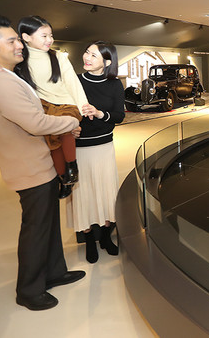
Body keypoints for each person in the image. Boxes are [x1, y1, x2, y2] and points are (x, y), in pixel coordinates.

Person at [0, 14, 85, 311]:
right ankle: (29, 290)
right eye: (12, 41)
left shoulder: (5, 73)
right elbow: (34, 123)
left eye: (18, 40)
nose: (19, 45)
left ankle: (54, 272)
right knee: (36, 229)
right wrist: (70, 122)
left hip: (38, 163)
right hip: (28, 168)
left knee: (48, 225)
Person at [0, 16, 90, 198]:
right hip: (43, 106)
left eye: (51, 35)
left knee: (65, 133)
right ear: (26, 37)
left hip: (64, 103)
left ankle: (71, 167)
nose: (49, 40)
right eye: (44, 36)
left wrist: (83, 108)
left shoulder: (58, 56)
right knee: (52, 143)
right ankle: (63, 176)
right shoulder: (21, 58)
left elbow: (72, 83)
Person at [66, 41, 125, 263]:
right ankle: (89, 238)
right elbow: (63, 111)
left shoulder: (114, 84)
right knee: (84, 195)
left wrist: (100, 113)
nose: (87, 57)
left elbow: (119, 116)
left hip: (104, 148)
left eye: (94, 55)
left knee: (106, 192)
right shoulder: (75, 82)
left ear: (107, 62)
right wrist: (70, 127)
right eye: (87, 52)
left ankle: (106, 237)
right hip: (80, 149)